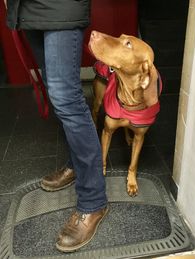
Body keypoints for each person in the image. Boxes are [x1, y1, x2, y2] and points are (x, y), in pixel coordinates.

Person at [4, 0, 108, 253]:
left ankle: (93, 201)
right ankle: (75, 165)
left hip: (60, 6)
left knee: (66, 99)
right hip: (27, 9)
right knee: (56, 91)